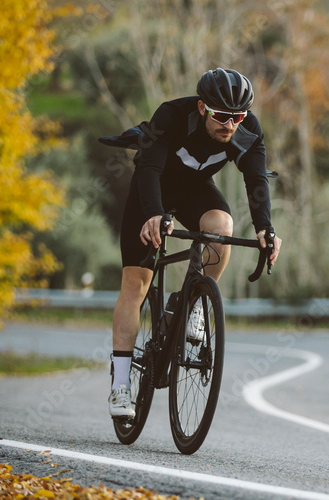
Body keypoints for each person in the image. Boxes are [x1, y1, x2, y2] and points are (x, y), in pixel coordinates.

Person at [104, 68, 282, 419]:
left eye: (238, 117)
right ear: (202, 108)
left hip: (192, 192)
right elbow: (149, 169)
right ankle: (120, 386)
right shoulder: (171, 115)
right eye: (221, 116)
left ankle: (195, 304)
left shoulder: (246, 131)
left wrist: (265, 228)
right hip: (151, 191)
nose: (229, 125)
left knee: (221, 225)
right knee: (136, 283)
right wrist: (154, 215)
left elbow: (256, 179)